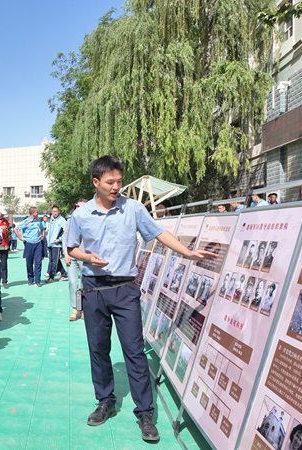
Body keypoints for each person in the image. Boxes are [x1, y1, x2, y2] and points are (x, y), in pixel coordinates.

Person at [66, 156, 214, 442]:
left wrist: (187, 252)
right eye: (110, 182)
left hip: (125, 290)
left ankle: (145, 412)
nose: (116, 187)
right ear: (96, 182)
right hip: (94, 289)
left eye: (120, 182)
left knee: (134, 350)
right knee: (98, 349)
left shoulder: (133, 208)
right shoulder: (80, 215)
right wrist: (88, 258)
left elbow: (158, 233)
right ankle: (105, 401)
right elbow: (71, 248)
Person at [65, 199, 88, 321]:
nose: (78, 209)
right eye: (77, 206)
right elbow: (65, 238)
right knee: (73, 282)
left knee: (84, 283)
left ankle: (83, 309)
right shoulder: (70, 221)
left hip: (85, 256)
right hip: (72, 256)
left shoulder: (90, 220)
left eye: (81, 207)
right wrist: (66, 253)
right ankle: (75, 309)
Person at [15, 207, 45, 286]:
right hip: (28, 244)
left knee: (38, 262)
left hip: (38, 243)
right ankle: (30, 279)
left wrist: (42, 236)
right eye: (37, 212)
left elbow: (42, 228)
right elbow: (15, 229)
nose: (38, 213)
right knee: (29, 262)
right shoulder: (26, 221)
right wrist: (21, 238)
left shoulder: (38, 221)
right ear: (33, 213)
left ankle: (37, 280)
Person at [45, 205, 68, 283]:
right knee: (54, 260)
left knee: (54, 261)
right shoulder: (51, 220)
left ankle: (51, 276)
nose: (54, 213)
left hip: (56, 244)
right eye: (53, 211)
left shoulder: (62, 220)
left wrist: (59, 239)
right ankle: (64, 274)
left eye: (56, 211)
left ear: (59, 212)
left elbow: (66, 232)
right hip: (50, 244)